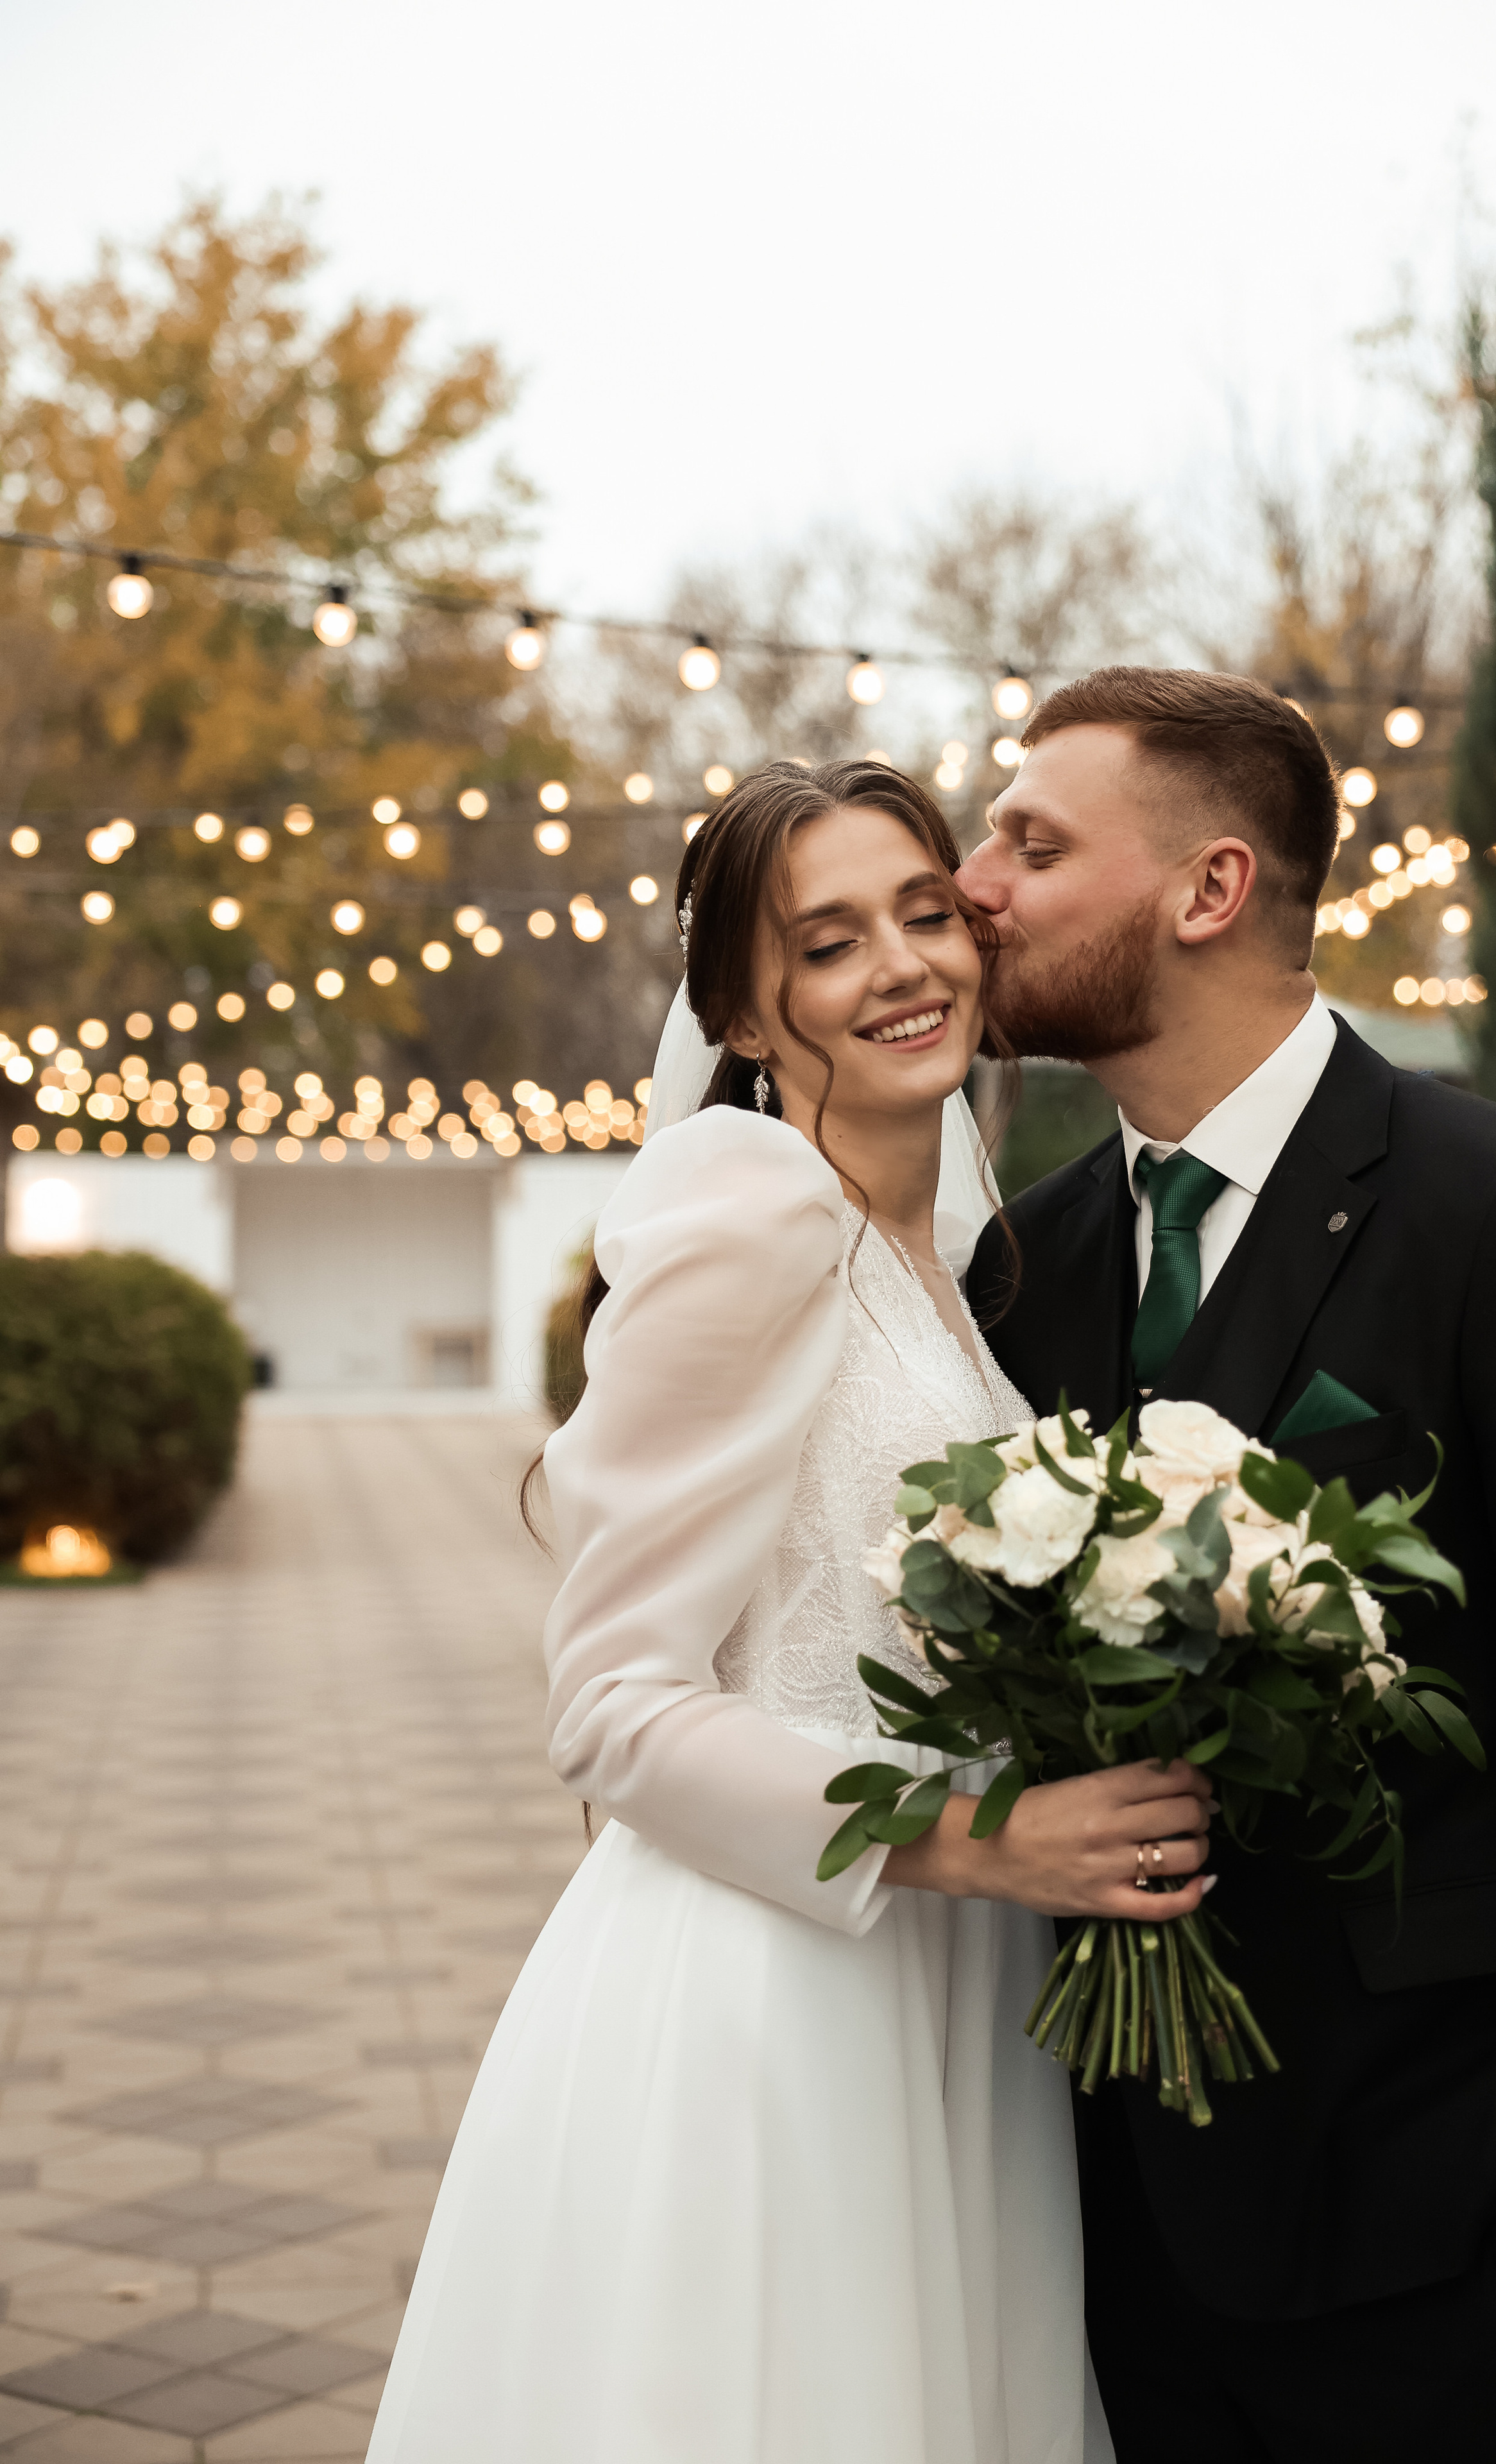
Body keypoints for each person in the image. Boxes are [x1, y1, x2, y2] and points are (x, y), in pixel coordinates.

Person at [365, 758, 1212, 2464]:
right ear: (747, 1009)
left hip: (957, 1988)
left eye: (923, 915)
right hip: (779, 1990)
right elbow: (611, 1703)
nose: (901, 968)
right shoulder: (751, 1217)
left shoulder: (958, 1265)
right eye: (829, 945)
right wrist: (982, 1835)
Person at [958, 667, 1496, 2463]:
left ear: (1211, 889)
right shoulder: (1027, 1271)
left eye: (1033, 841)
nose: (975, 885)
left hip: (1452, 2238)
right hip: (1113, 2238)